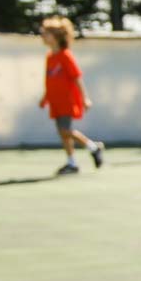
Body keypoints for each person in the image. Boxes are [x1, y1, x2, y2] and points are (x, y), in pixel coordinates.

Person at [37, 16, 104, 176]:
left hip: (67, 100)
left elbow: (76, 77)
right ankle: (72, 162)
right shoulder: (49, 57)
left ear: (57, 36)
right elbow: (50, 81)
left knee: (65, 130)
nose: (44, 37)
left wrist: (84, 97)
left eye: (47, 33)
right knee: (62, 132)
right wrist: (45, 97)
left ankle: (92, 147)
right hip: (55, 101)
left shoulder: (65, 56)